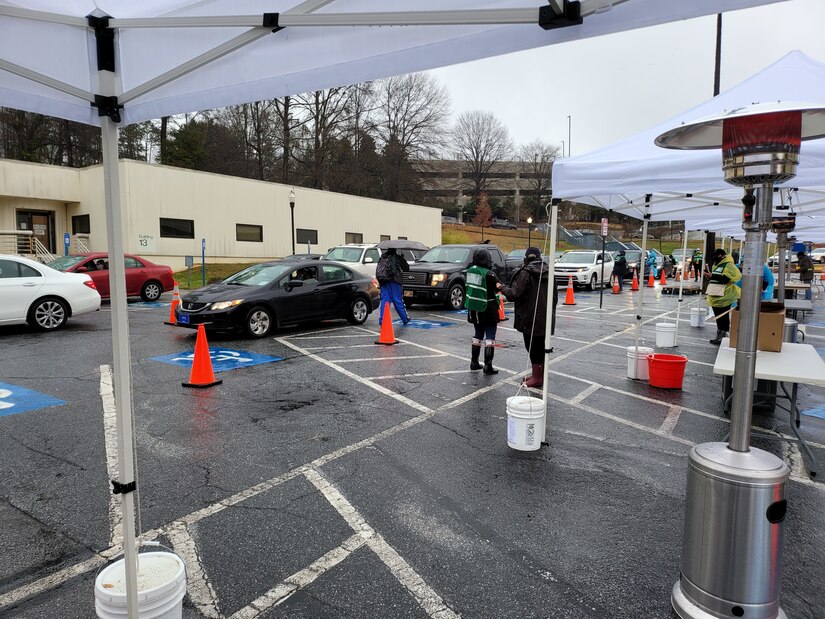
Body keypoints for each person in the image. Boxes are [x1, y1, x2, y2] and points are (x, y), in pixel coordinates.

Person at [500, 247, 558, 388]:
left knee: (532, 347)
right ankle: (538, 375)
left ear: (526, 257)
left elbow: (515, 294)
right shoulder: (549, 272)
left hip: (529, 317)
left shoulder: (526, 273)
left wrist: (502, 287)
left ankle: (537, 378)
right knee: (540, 346)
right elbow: (555, 296)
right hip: (546, 317)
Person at [464, 248, 502, 375]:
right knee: (490, 337)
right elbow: (498, 286)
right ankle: (488, 366)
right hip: (488, 307)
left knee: (478, 334)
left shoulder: (470, 271)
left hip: (474, 307)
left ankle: (474, 362)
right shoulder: (489, 274)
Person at [704, 248, 742, 345]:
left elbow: (727, 279)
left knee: (723, 316)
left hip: (724, 294)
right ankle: (719, 334)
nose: (715, 258)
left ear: (722, 255)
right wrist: (709, 276)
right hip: (715, 293)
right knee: (718, 316)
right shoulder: (717, 265)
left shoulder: (728, 265)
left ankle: (723, 335)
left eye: (716, 256)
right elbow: (717, 277)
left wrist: (712, 276)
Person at [375, 248, 410, 326]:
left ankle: (382, 320)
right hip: (395, 281)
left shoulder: (382, 257)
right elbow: (406, 268)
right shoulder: (397, 257)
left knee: (385, 300)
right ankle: (405, 319)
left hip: (384, 281)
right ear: (395, 250)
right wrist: (403, 259)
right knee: (397, 300)